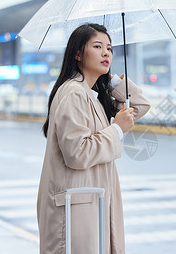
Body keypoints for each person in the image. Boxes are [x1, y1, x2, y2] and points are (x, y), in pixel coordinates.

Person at [37, 23, 150, 254]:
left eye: (109, 48)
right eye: (97, 46)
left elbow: (140, 106)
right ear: (78, 54)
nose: (106, 52)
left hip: (92, 205)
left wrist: (112, 82)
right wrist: (116, 130)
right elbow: (77, 153)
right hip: (77, 210)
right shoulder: (73, 93)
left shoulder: (92, 95)